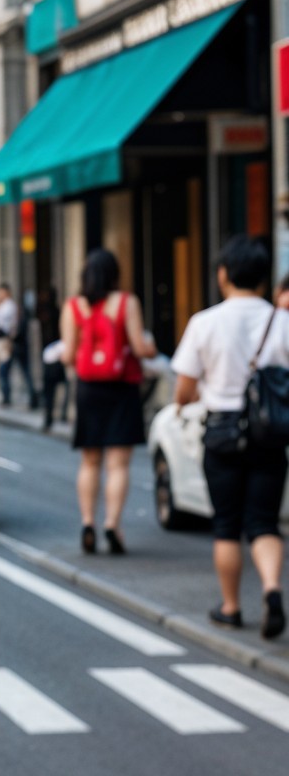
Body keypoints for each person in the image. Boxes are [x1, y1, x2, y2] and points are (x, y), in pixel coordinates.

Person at [171, 235, 289, 639]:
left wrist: (192, 399)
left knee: (227, 524)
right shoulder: (283, 322)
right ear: (262, 277)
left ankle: (231, 606)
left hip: (221, 432)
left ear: (223, 275)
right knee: (263, 522)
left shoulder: (204, 323)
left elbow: (184, 390)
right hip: (270, 435)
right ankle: (272, 589)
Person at [61, 249, 156, 555]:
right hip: (121, 388)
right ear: (115, 274)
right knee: (118, 464)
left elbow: (67, 355)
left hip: (88, 389)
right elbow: (140, 348)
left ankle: (88, 521)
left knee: (89, 461)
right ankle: (112, 524)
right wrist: (151, 349)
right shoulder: (127, 303)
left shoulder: (73, 307)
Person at [0, 281, 36, 407]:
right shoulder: (3, 306)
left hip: (12, 343)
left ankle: (13, 397)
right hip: (11, 343)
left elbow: (9, 327)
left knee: (7, 371)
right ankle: (11, 397)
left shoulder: (9, 307)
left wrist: (9, 341)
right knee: (15, 371)